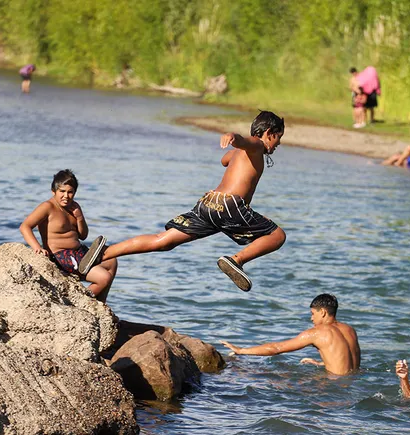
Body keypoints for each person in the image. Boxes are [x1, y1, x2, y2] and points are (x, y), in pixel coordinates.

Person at [89, 111, 287, 292]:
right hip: (229, 206)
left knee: (164, 240)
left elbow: (225, 160)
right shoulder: (257, 144)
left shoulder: (242, 153)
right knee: (277, 236)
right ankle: (236, 260)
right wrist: (233, 137)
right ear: (269, 132)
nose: (277, 144)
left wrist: (236, 149)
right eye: (278, 138)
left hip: (209, 204)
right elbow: (244, 141)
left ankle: (103, 254)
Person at [20, 170, 117, 302]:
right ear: (53, 191)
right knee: (103, 278)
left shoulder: (74, 207)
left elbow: (83, 235)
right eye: (62, 191)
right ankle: (79, 304)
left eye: (70, 192)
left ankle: (100, 304)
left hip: (79, 252)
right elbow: (25, 226)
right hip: (62, 256)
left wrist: (79, 217)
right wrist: (37, 247)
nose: (66, 196)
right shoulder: (47, 207)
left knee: (111, 262)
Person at [220, 294, 360, 375]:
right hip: (354, 382)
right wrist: (322, 363)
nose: (311, 318)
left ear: (322, 312)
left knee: (274, 378)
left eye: (313, 314)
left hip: (334, 387)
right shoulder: (349, 330)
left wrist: (241, 350)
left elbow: (276, 348)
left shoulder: (317, 333)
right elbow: (347, 362)